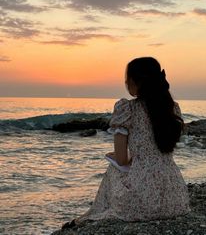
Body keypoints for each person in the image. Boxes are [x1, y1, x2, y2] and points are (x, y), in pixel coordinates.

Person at [62, 57, 190, 229]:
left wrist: (113, 156)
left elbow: (122, 160)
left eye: (127, 79)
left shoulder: (127, 109)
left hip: (141, 204)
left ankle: (92, 216)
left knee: (113, 166)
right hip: (175, 199)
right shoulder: (172, 108)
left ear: (135, 82)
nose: (125, 83)